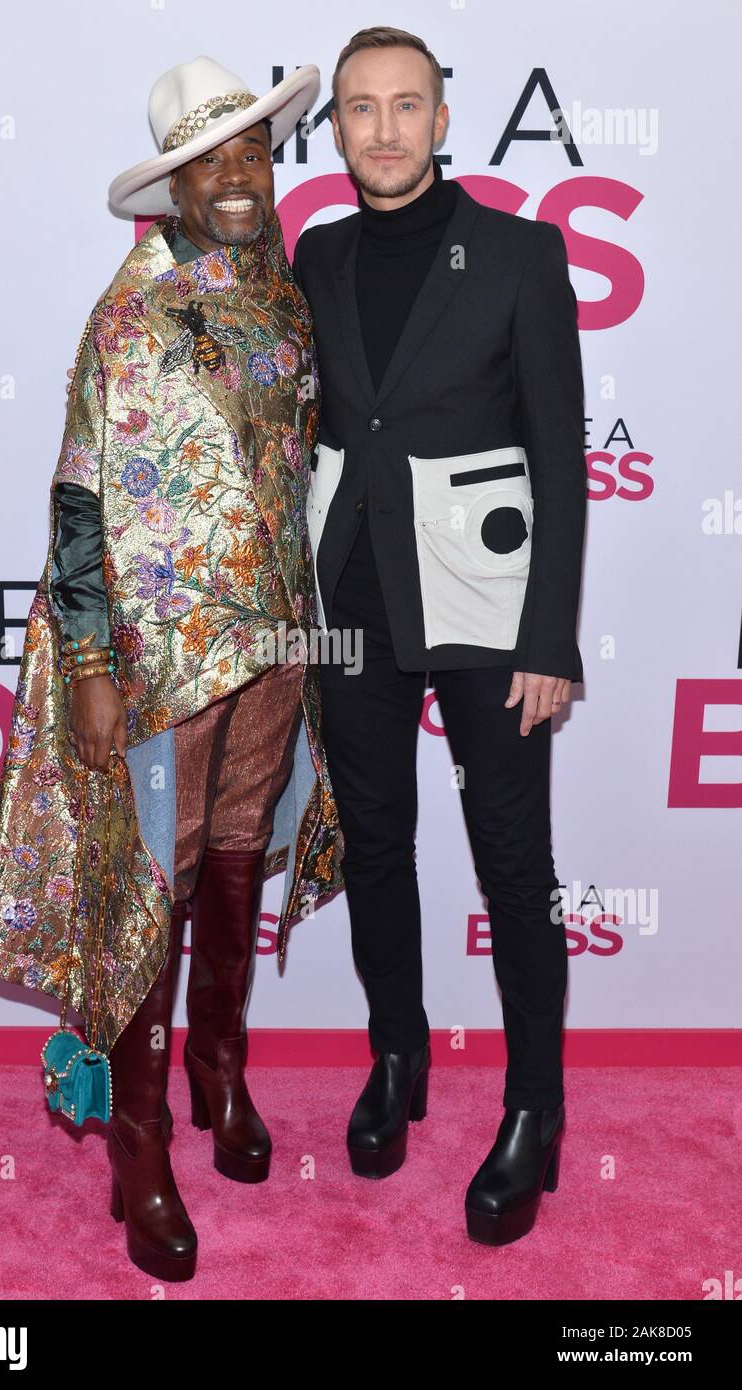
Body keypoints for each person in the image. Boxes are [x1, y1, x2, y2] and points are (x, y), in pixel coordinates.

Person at [0, 56, 344, 1283]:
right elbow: (79, 497)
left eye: (251, 154)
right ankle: (138, 1147)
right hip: (159, 659)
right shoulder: (125, 319)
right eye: (209, 162)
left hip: (277, 638)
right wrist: (87, 662)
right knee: (154, 886)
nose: (236, 177)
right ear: (171, 187)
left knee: (240, 856)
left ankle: (216, 1076)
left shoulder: (280, 291)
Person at [293, 27, 586, 1244]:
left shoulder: (520, 254)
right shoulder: (312, 255)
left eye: (405, 104)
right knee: (375, 845)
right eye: (359, 108)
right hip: (351, 604)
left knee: (512, 868)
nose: (383, 129)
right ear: (337, 129)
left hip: (482, 608)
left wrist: (549, 638)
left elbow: (559, 456)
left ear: (442, 118)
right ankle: (397, 1060)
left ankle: (534, 1110)